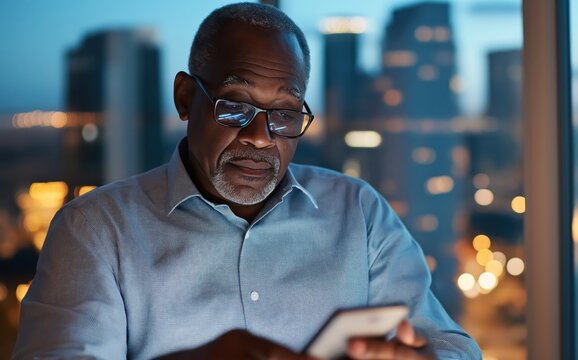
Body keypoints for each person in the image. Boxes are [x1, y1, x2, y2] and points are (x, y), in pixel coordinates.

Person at [12, 3, 482, 359]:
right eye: (235, 105)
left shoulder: (358, 212)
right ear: (184, 98)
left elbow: (454, 345)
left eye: (283, 113)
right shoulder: (96, 230)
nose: (260, 137)